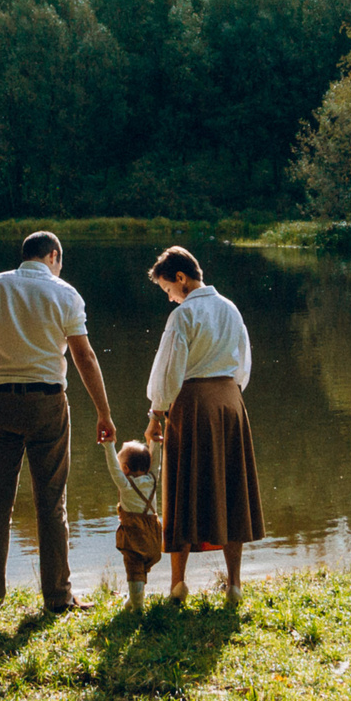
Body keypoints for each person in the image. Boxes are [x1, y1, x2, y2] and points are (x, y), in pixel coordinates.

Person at [0, 230, 118, 612]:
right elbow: (85, 357)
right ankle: (58, 598)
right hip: (47, 405)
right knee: (51, 503)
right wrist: (104, 413)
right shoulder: (65, 294)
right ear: (53, 255)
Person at [142, 244, 263, 601]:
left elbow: (169, 372)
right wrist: (227, 394)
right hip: (230, 402)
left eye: (168, 289)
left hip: (192, 404)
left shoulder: (183, 316)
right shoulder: (230, 308)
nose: (169, 297)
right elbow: (243, 365)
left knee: (182, 490)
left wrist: (155, 415)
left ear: (181, 278)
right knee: (231, 490)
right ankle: (234, 584)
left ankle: (178, 585)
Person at [102, 436, 165, 607]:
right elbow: (156, 464)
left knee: (134, 566)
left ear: (125, 468)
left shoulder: (126, 485)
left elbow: (113, 468)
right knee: (142, 568)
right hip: (154, 534)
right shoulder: (152, 480)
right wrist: (156, 443)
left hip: (134, 532)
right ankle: (135, 598)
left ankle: (137, 605)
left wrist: (108, 446)